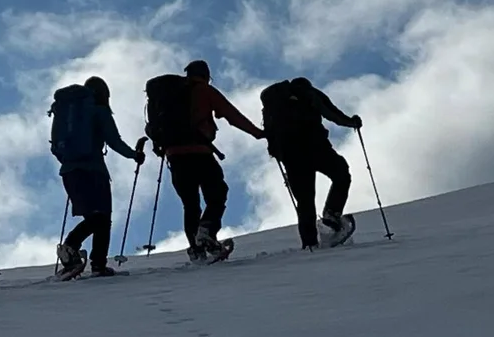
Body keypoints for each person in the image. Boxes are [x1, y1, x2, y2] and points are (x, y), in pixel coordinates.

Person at [144, 59, 265, 261]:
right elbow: (231, 115)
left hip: (174, 155)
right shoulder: (203, 90)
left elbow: (152, 127)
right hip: (199, 152)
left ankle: (197, 249)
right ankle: (207, 231)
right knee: (217, 193)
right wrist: (257, 133)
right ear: (206, 75)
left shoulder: (166, 96)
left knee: (190, 204)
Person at [49, 76, 144, 280]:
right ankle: (87, 257)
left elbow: (55, 146)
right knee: (102, 218)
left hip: (69, 172)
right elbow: (114, 141)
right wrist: (134, 155)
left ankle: (75, 252)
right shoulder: (98, 110)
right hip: (93, 170)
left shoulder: (66, 112)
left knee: (94, 218)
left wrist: (70, 160)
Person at [260, 76, 361, 249]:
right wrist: (352, 122)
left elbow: (270, 132)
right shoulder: (308, 93)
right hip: (316, 147)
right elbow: (331, 113)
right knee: (341, 174)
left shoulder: (274, 104)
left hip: (291, 155)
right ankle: (331, 214)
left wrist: (277, 152)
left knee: (305, 200)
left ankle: (310, 244)